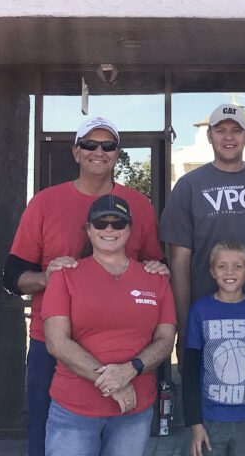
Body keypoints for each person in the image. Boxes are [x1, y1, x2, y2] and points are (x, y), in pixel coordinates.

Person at [3, 115, 165, 456]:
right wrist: (48, 277)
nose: (99, 151)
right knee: (47, 437)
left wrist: (155, 267)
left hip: (125, 352)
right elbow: (12, 276)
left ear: (117, 154)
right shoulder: (45, 203)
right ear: (76, 152)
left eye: (108, 145)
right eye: (90, 144)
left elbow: (154, 264)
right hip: (55, 345)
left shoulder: (139, 206)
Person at [41, 195, 176, 456]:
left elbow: (165, 341)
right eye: (101, 223)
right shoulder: (65, 276)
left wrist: (131, 370)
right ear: (89, 229)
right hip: (75, 409)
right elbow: (56, 342)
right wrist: (116, 382)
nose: (110, 229)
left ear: (130, 229)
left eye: (118, 223)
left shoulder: (156, 279)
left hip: (133, 412)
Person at [160, 103, 245, 354]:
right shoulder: (189, 186)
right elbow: (179, 263)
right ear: (209, 135)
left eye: (236, 130)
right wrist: (184, 328)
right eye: (220, 130)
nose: (228, 137)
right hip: (206, 318)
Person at [183, 242, 245, 456]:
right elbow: (190, 370)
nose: (229, 272)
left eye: (238, 266)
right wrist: (195, 424)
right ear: (212, 271)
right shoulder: (200, 310)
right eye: (222, 266)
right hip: (210, 417)